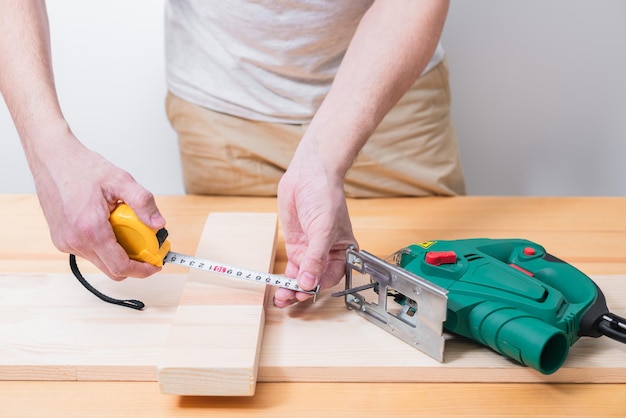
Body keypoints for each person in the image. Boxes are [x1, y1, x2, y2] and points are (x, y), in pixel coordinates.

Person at [0, 0, 464, 308]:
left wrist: (326, 156)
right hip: (218, 110)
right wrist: (49, 154)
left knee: (436, 286)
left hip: (384, 101)